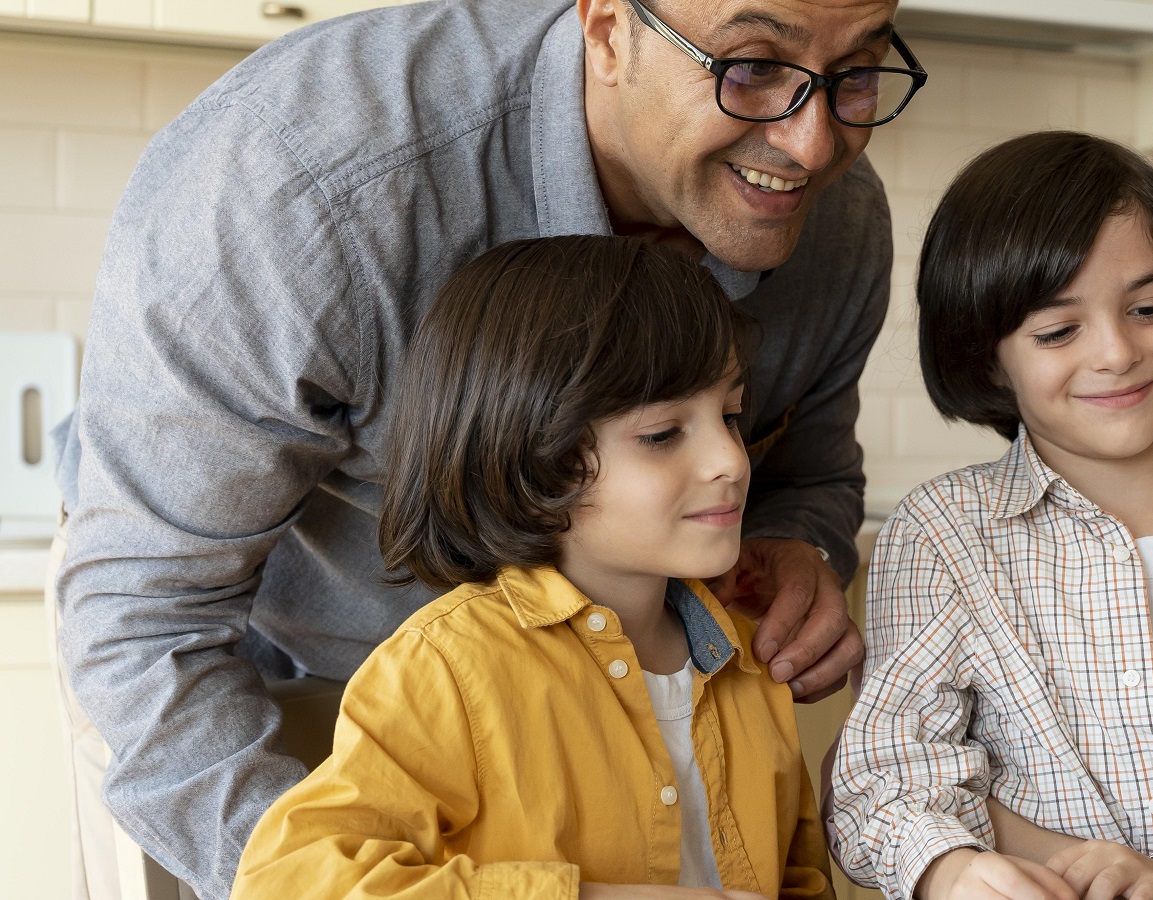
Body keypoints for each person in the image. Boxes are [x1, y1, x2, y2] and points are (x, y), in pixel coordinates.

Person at [49, 0, 923, 896]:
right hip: (249, 674)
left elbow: (807, 474)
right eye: (750, 68)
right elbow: (145, 620)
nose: (813, 146)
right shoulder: (303, 182)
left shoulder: (831, 221)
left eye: (856, 72)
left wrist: (801, 548)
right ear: (610, 29)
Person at [231, 235, 829, 900]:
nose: (731, 461)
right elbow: (284, 882)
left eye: (730, 415)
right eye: (663, 435)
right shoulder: (449, 671)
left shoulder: (746, 663)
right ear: (531, 455)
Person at [825, 131, 1153, 900]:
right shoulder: (941, 534)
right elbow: (886, 778)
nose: (1117, 352)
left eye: (1149, 308)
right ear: (990, 357)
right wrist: (955, 869)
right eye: (1059, 331)